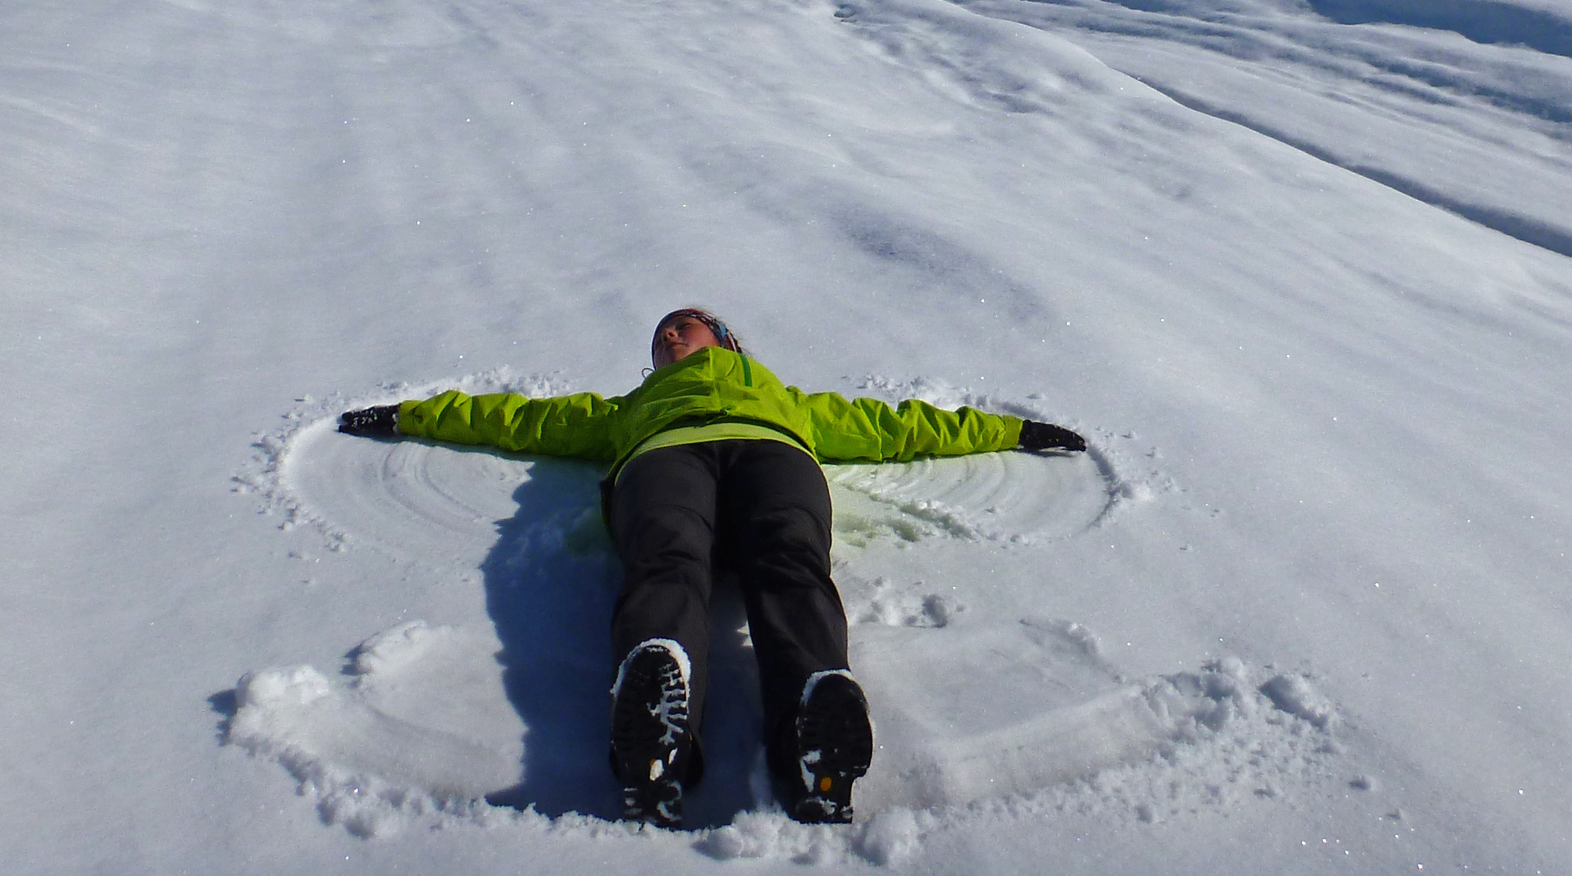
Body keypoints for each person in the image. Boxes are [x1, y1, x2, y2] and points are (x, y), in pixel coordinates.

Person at [336, 305, 1087, 827]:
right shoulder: (633, 404)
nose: (668, 332)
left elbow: (898, 426)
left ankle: (813, 718)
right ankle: (659, 704)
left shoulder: (783, 396)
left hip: (773, 454)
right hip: (665, 459)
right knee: (666, 560)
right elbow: (517, 417)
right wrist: (410, 415)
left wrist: (1013, 430)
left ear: (724, 340)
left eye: (683, 323)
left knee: (791, 562)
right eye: (662, 331)